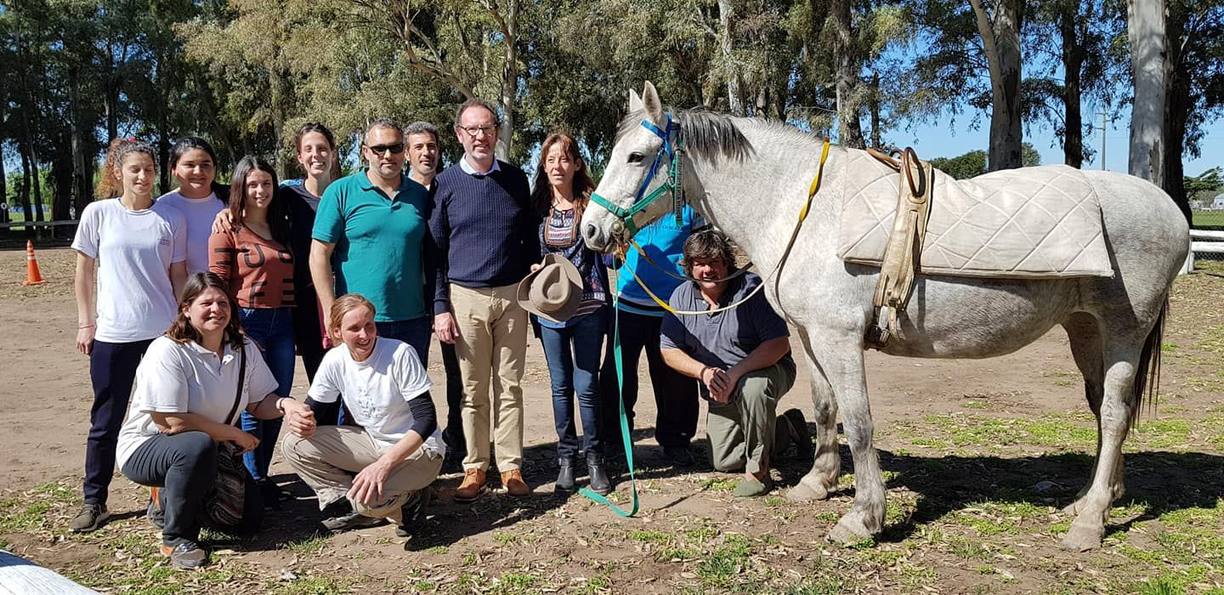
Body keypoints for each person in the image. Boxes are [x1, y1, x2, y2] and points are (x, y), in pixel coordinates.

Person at [115, 272, 315, 569]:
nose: (216, 309)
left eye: (223, 302)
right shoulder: (168, 350)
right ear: (186, 309)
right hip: (149, 449)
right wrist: (233, 434)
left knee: (248, 522)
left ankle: (171, 501)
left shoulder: (243, 348)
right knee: (196, 445)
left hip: (210, 448)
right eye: (206, 303)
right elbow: (170, 422)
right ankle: (176, 537)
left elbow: (260, 402)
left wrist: (288, 406)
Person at [70, 138, 189, 533]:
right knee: (106, 418)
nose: (142, 176)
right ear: (118, 173)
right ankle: (95, 499)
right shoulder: (98, 214)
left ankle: (159, 495)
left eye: (149, 169)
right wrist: (86, 322)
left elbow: (176, 276)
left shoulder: (170, 218)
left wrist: (183, 326)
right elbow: (84, 273)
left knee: (163, 416)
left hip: (161, 335)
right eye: (134, 169)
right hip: (113, 334)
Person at [430, 99, 539, 500]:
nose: (481, 136)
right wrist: (441, 306)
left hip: (512, 298)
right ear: (459, 134)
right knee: (472, 390)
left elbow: (528, 238)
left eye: (488, 127)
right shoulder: (444, 185)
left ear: (496, 132)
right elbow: (436, 253)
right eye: (472, 129)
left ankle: (511, 467)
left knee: (510, 386)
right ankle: (475, 467)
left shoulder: (515, 179)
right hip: (465, 299)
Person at [281, 294, 444, 537]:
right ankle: (379, 502)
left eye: (369, 325)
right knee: (294, 444)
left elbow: (427, 419)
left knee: (367, 502)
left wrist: (384, 464)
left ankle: (404, 500)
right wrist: (298, 416)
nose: (365, 335)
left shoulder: (400, 353)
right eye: (354, 328)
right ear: (337, 332)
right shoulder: (335, 359)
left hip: (420, 451)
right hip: (375, 443)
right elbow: (314, 408)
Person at [658, 230, 806, 497]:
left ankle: (759, 473)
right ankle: (787, 428)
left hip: (765, 370)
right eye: (699, 264)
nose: (707, 270)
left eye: (714, 262)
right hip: (719, 386)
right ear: (689, 267)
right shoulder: (680, 296)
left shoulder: (751, 289)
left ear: (727, 262)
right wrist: (703, 373)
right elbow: (668, 350)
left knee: (753, 388)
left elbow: (779, 344)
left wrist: (735, 374)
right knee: (723, 461)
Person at [213, 123, 337, 422]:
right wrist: (228, 211)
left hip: (345, 300)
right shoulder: (287, 196)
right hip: (303, 307)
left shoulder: (347, 192)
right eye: (309, 149)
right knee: (318, 382)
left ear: (333, 153)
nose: (316, 155)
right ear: (299, 156)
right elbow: (252, 194)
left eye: (322, 148)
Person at [310, 119, 435, 365]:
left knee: (409, 401)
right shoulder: (341, 191)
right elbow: (319, 256)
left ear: (405, 152)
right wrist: (330, 312)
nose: (388, 155)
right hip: (358, 323)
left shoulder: (420, 196)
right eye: (379, 149)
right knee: (358, 401)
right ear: (365, 152)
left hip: (412, 320)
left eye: (395, 148)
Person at [527, 132, 611, 494]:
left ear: (577, 164)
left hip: (589, 304)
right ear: (543, 167)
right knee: (560, 387)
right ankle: (566, 459)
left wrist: (615, 247)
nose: (557, 166)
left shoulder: (592, 204)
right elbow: (525, 250)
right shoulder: (536, 208)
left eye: (564, 159)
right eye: (550, 160)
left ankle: (595, 458)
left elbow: (609, 252)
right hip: (550, 310)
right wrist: (531, 266)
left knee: (587, 386)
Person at [208, 156, 296, 499]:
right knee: (250, 405)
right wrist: (234, 329)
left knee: (276, 402)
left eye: (266, 184)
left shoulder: (281, 225)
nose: (260, 191)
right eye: (252, 185)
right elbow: (216, 282)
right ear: (240, 188)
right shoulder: (227, 227)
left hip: (283, 322)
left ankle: (262, 475)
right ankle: (250, 481)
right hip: (248, 321)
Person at [600, 205, 703, 470]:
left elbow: (701, 251)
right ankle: (615, 438)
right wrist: (612, 255)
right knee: (617, 374)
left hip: (672, 307)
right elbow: (609, 255)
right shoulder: (631, 204)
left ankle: (676, 440)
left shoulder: (689, 208)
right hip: (628, 303)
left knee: (674, 376)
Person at [404, 121, 466, 472]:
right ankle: (416, 444)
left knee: (458, 376)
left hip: (449, 298)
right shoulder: (400, 191)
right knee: (412, 377)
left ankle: (457, 441)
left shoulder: (448, 186)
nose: (426, 153)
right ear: (408, 153)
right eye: (418, 147)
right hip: (408, 302)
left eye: (431, 146)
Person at [159, 137, 227, 274]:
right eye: (189, 165)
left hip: (230, 292)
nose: (198, 171)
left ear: (214, 168)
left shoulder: (232, 201)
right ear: (174, 169)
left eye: (205, 164)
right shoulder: (161, 208)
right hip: (185, 293)